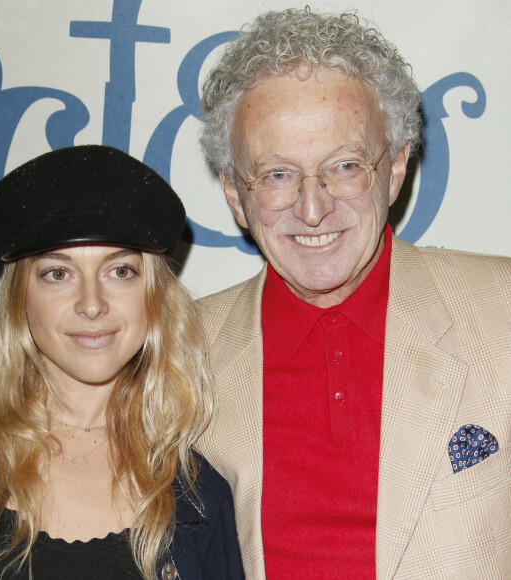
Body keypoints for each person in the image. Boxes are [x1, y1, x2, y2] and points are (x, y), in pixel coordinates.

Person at [195, 7, 511, 579]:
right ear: (235, 196)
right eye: (276, 174)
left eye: (343, 166)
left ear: (394, 169)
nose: (312, 208)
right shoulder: (176, 352)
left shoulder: (504, 313)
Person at [0, 145, 245, 580]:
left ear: (153, 298)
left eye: (120, 271)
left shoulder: (199, 498)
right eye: (58, 273)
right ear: (21, 298)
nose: (92, 304)